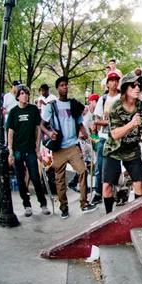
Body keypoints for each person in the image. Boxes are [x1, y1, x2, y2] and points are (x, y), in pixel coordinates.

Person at [40, 76, 97, 219]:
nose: (65, 87)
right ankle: (63, 207)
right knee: (59, 178)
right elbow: (41, 124)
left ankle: (84, 202)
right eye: (61, 85)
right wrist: (49, 133)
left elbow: (79, 123)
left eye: (66, 85)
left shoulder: (73, 104)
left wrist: (88, 136)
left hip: (72, 145)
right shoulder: (51, 106)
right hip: (59, 146)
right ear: (57, 88)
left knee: (82, 170)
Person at [101, 73, 142, 214]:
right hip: (114, 149)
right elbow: (114, 134)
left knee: (139, 184)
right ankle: (108, 216)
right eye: (133, 85)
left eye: (139, 85)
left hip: (132, 149)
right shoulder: (116, 107)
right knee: (107, 186)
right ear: (125, 88)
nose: (137, 88)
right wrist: (132, 124)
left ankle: (139, 216)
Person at [7, 84, 49, 217]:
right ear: (18, 96)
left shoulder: (33, 110)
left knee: (35, 177)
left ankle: (43, 203)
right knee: (20, 179)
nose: (25, 95)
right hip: (18, 149)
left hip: (31, 149)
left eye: (26, 93)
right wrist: (10, 151)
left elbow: (38, 129)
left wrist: (38, 148)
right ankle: (27, 205)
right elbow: (10, 132)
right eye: (22, 93)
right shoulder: (13, 112)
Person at [92, 72, 121, 203]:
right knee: (100, 165)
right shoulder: (103, 99)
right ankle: (98, 191)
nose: (114, 83)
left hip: (117, 137)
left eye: (116, 80)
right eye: (112, 80)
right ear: (107, 83)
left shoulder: (122, 98)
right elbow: (96, 119)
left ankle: (114, 190)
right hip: (104, 136)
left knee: (115, 166)